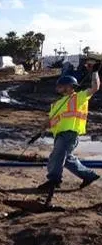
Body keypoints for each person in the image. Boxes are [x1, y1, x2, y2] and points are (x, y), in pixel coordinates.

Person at [37, 61, 100, 191]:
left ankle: (53, 180)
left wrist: (94, 72)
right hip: (60, 135)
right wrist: (43, 128)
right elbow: (50, 120)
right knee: (68, 159)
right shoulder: (58, 103)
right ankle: (89, 175)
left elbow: (95, 87)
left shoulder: (78, 97)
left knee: (57, 156)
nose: (58, 88)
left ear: (69, 86)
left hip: (69, 134)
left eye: (60, 86)